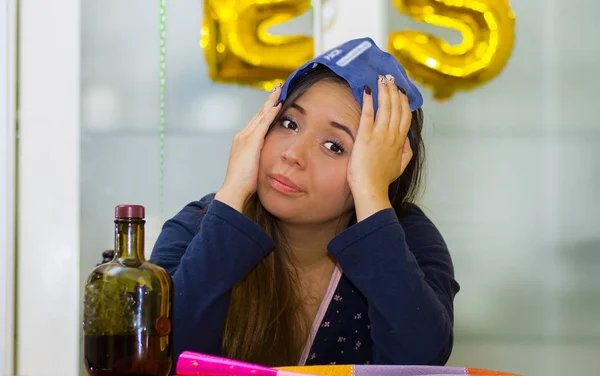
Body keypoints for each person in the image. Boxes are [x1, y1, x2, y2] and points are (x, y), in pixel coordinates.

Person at [150, 37, 460, 368]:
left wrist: (371, 196)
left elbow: (420, 362)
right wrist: (233, 193)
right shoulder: (199, 226)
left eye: (334, 146)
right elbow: (162, 357)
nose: (293, 154)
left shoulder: (409, 240)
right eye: (289, 123)